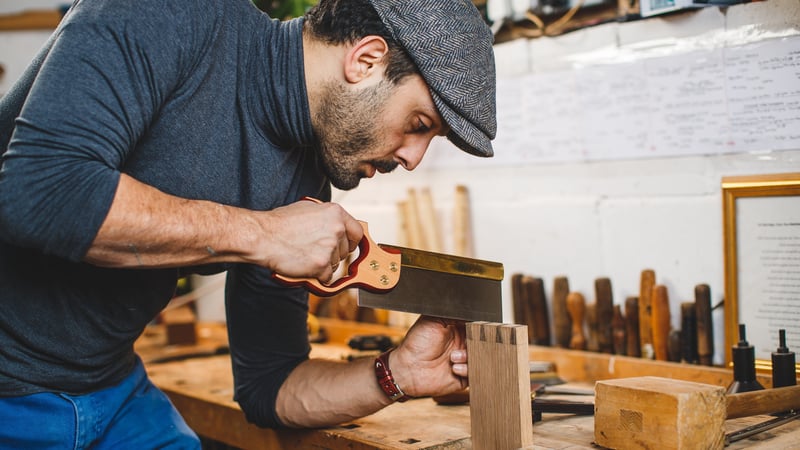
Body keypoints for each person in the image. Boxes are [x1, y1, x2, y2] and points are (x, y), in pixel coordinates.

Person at [0, 0, 496, 446]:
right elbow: (41, 191)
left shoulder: (303, 181)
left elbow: (270, 385)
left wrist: (398, 374)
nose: (413, 158)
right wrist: (262, 234)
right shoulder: (167, 12)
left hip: (108, 388)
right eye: (419, 125)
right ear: (365, 60)